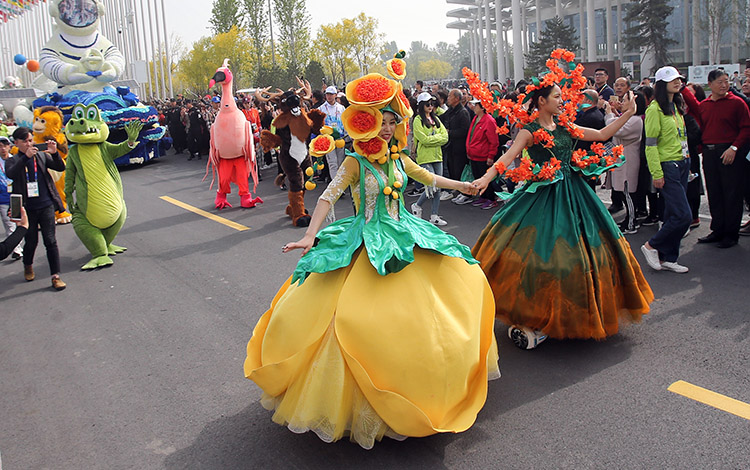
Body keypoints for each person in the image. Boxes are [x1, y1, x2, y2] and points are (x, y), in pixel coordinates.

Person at [244, 72, 499, 449]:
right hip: (366, 239)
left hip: (404, 233)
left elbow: (427, 176)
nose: (387, 129)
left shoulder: (399, 158)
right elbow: (329, 197)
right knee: (354, 320)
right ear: (367, 125)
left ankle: (423, 384)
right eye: (381, 123)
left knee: (449, 289)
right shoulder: (353, 163)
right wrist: (310, 234)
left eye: (393, 122)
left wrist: (464, 185)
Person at [470, 62, 652, 348]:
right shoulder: (529, 131)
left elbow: (602, 136)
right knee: (544, 257)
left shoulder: (565, 125)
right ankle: (539, 315)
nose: (561, 100)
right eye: (556, 96)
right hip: (542, 197)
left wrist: (629, 113)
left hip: (576, 193)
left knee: (590, 254)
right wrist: (485, 177)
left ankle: (576, 312)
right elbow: (507, 159)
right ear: (541, 101)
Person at [682, 69, 750, 248]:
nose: (724, 85)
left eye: (726, 81)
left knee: (732, 193)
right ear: (710, 84)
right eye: (720, 82)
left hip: (730, 152)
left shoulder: (737, 103)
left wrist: (734, 148)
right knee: (715, 192)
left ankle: (730, 234)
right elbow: (700, 124)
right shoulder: (705, 105)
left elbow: (746, 128)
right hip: (709, 153)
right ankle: (717, 229)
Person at [640, 66, 693, 272]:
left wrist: (686, 163)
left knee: (673, 214)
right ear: (662, 84)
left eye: (678, 79)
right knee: (683, 216)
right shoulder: (654, 109)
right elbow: (650, 144)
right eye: (672, 80)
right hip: (667, 165)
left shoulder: (676, 105)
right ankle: (651, 245)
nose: (677, 83)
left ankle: (669, 257)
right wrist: (657, 172)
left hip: (682, 162)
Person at [5, 127, 67, 290]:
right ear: (17, 143)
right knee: (31, 241)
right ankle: (28, 264)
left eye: (31, 140)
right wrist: (25, 157)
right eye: (25, 141)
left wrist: (54, 153)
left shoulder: (41, 155)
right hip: (27, 209)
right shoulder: (13, 160)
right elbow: (11, 174)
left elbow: (60, 167)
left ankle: (55, 276)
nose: (29, 143)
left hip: (45, 204)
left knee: (51, 240)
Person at [604, 93, 645, 234]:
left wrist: (609, 114)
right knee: (623, 191)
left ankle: (631, 223)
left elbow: (616, 128)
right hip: (622, 160)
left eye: (625, 100)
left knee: (628, 193)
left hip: (628, 161)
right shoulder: (631, 119)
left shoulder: (635, 120)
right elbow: (620, 121)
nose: (622, 102)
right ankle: (629, 218)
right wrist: (615, 112)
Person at [410, 92, 450, 225]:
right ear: (422, 105)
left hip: (437, 156)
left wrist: (433, 139)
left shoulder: (436, 119)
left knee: (438, 185)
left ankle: (434, 215)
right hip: (425, 158)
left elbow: (445, 137)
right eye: (427, 104)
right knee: (431, 185)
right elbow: (423, 140)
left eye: (432, 104)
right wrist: (437, 139)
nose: (430, 106)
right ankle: (417, 205)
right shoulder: (417, 120)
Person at [466, 99, 500, 210]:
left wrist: (491, 156)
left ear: (482, 107)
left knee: (486, 178)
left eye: (476, 105)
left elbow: (494, 141)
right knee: (477, 176)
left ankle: (491, 199)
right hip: (474, 154)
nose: (473, 107)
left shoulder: (489, 120)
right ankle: (483, 196)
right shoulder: (476, 118)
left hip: (483, 155)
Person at [441, 89, 472, 203]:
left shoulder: (463, 112)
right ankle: (458, 191)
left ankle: (465, 193)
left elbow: (464, 130)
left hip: (459, 147)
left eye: (450, 96)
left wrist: (450, 132)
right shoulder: (451, 110)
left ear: (456, 99)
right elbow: (441, 118)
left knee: (459, 170)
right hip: (451, 146)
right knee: (452, 169)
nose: (448, 98)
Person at [0, 135, 23, 259]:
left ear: (9, 146)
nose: (3, 149)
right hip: (2, 198)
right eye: (0, 147)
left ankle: (17, 249)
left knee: (13, 223)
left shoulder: (14, 160)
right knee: (8, 224)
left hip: (13, 196)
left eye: (5, 146)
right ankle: (16, 248)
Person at [319, 86, 347, 179]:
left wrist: (347, 136)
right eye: (327, 94)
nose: (329, 96)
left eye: (331, 94)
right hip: (328, 140)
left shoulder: (341, 108)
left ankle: (340, 186)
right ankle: (335, 187)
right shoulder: (321, 109)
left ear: (335, 95)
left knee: (341, 163)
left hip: (340, 139)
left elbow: (345, 122)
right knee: (332, 163)